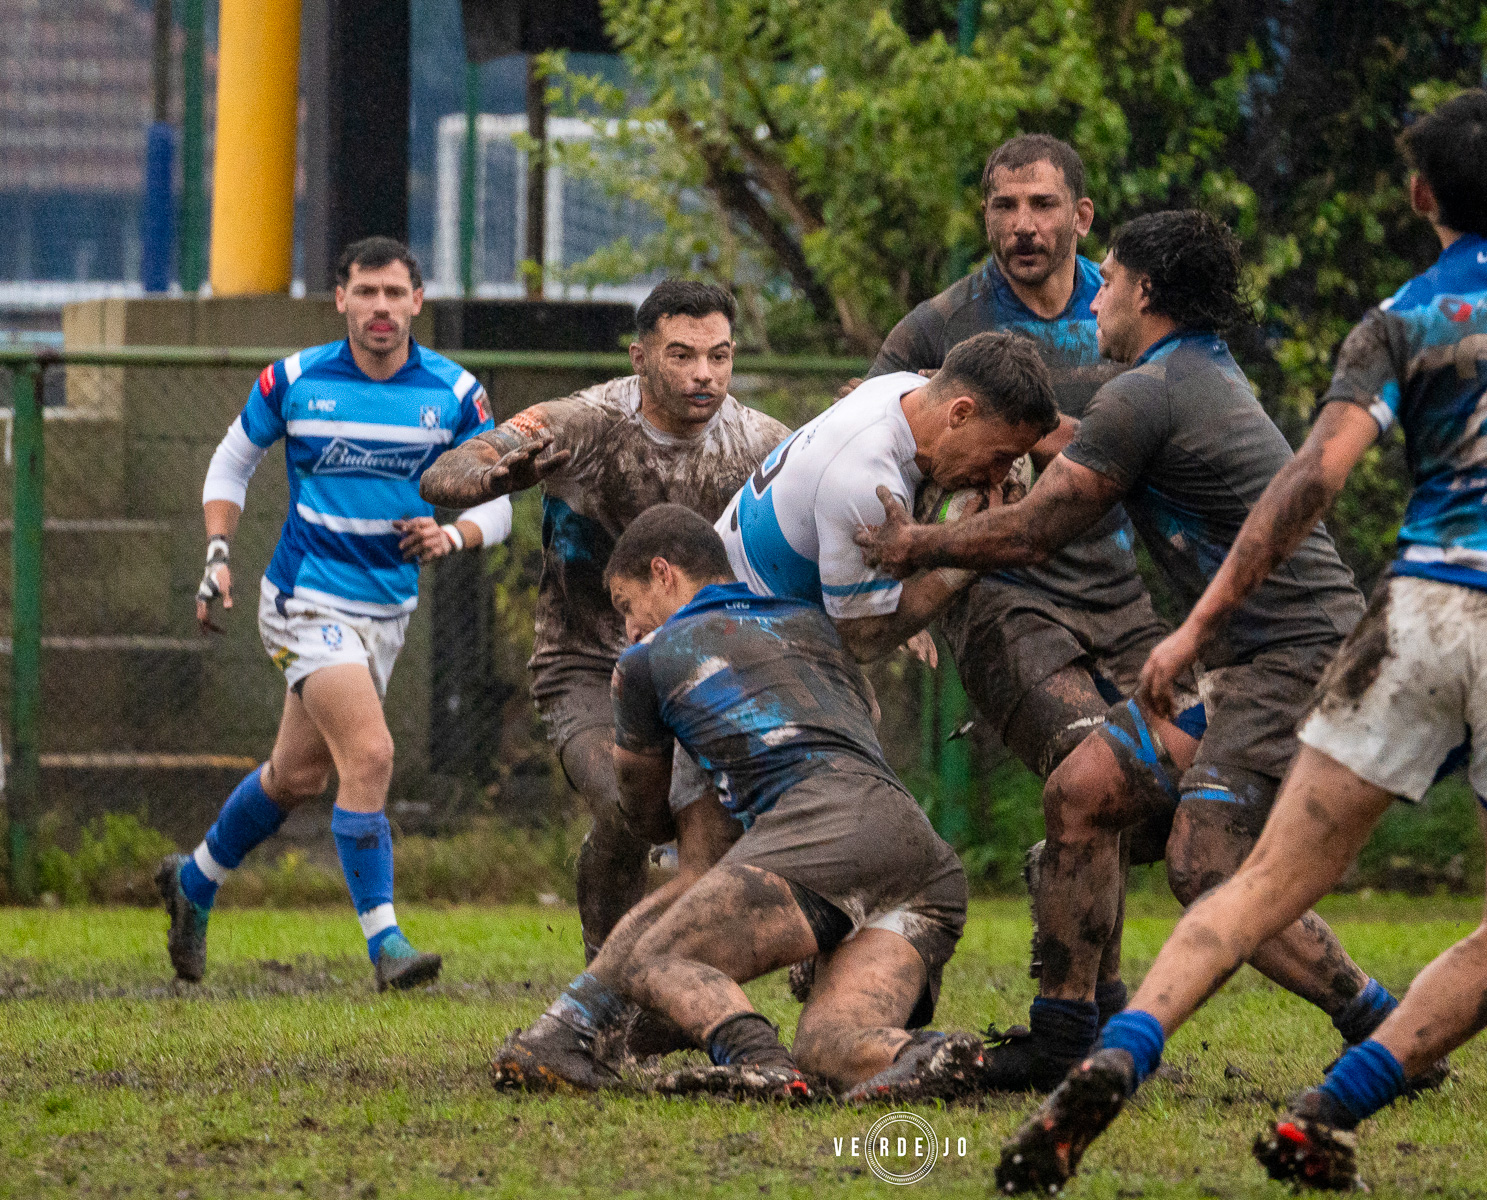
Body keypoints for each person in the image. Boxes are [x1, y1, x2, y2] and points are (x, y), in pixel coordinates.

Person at [995, 89, 1487, 1194]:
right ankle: (1328, 1108)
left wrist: (1197, 624)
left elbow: (1308, 484)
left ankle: (1123, 1056)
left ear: (1424, 197)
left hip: (1415, 617)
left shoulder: (1406, 315)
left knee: (1258, 881)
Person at [857, 210, 1413, 1093]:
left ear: (1144, 293)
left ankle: (1392, 1031)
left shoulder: (1150, 389)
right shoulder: (1185, 375)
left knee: (1206, 865)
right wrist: (1029, 429)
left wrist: (915, 546)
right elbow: (1091, 449)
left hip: (1296, 658)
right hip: (1248, 661)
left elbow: (1041, 527)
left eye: (1109, 281)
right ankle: (1063, 1034)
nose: (1098, 298)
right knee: (1082, 792)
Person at [501, 505, 982, 1102]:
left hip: (824, 831)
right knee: (833, 1042)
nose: (628, 628)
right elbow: (865, 718)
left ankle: (761, 1064)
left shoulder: (646, 662)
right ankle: (929, 1056)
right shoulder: (812, 623)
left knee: (654, 959)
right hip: (921, 857)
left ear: (664, 574)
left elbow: (641, 808)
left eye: (627, 606)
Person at [157, 237, 512, 990]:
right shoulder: (294, 379)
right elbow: (230, 464)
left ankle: (193, 881)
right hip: (303, 599)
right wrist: (218, 551)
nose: (380, 308)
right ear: (341, 300)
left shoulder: (454, 393)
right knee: (373, 754)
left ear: (418, 301)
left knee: (297, 776)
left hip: (386, 610)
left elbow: (502, 502)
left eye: (394, 293)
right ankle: (386, 945)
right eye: (365, 292)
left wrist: (451, 533)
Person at [871, 136, 1161, 1044]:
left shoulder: (1129, 320)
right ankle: (1075, 1023)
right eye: (1005, 206)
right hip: (999, 591)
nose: (1023, 225)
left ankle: (1098, 1001)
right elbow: (875, 443)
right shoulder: (938, 328)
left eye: (1043, 205)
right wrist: (913, 581)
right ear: (985, 214)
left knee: (1148, 788)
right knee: (1087, 759)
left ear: (1081, 216)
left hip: (1119, 590)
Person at [420, 281, 788, 964]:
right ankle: (604, 969)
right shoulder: (584, 422)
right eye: (682, 355)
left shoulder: (762, 443)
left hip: (711, 662)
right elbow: (448, 469)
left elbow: (827, 524)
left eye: (720, 356)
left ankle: (726, 962)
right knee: (632, 808)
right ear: (640, 357)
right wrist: (492, 478)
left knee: (763, 806)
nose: (704, 374)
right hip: (587, 662)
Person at [717, 329, 1060, 663]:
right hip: (732, 623)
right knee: (851, 715)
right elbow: (862, 641)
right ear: (960, 413)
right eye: (999, 457)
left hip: (742, 593)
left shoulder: (904, 388)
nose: (998, 477)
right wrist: (968, 559)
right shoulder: (869, 482)